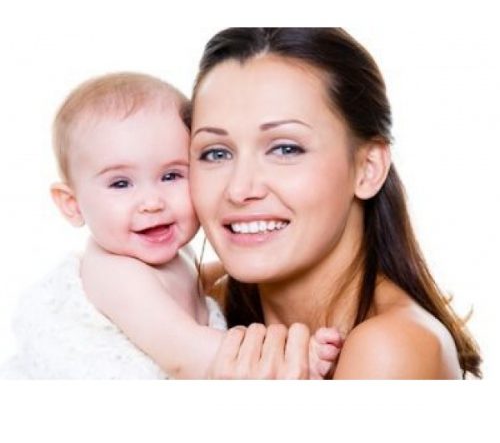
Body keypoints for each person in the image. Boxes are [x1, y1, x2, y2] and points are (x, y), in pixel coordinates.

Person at [1, 72, 340, 379]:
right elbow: (187, 357)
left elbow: (194, 278)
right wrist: (290, 358)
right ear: (72, 204)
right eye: (121, 183)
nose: (152, 202)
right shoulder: (116, 273)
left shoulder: (174, 255)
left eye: (171, 176)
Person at [188, 28, 482, 379]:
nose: (239, 189)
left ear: (368, 168)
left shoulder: (391, 346)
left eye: (285, 149)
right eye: (216, 153)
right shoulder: (204, 310)